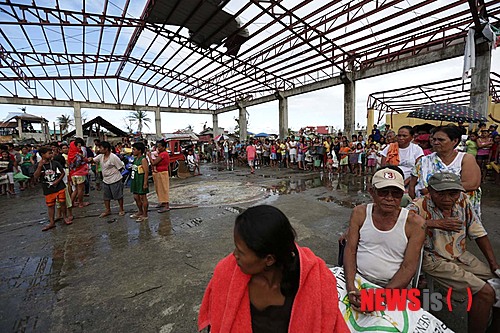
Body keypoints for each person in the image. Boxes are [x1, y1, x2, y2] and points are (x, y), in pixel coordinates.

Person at [198, 205, 349, 333]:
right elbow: (216, 324)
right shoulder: (225, 273)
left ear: (269, 259)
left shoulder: (316, 280)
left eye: (241, 252)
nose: (234, 255)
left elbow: (331, 323)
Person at [407, 172, 499, 333]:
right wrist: (434, 223)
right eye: (441, 194)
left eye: (453, 194)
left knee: (498, 283)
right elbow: (401, 225)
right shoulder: (417, 206)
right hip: (434, 258)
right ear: (430, 190)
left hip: (460, 255)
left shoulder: (463, 201)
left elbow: (478, 232)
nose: (447, 199)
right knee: (485, 292)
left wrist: (493, 264)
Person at [344, 167, 426, 310]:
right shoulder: (360, 213)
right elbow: (350, 250)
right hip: (358, 279)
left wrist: (380, 296)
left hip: (394, 286)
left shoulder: (415, 224)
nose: (389, 198)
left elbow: (408, 267)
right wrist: (351, 287)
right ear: (372, 193)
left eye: (396, 194)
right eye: (383, 192)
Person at [409, 124, 482, 217]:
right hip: (427, 209)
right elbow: (412, 186)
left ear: (455, 141)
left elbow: (471, 184)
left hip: (458, 210)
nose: (436, 142)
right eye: (434, 139)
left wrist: (432, 191)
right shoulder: (424, 161)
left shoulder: (465, 158)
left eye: (441, 140)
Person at [33, 146, 72, 231]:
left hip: (59, 186)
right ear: (42, 154)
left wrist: (57, 181)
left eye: (51, 153)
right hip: (48, 189)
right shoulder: (38, 165)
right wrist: (40, 166)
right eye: (49, 153)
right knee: (50, 205)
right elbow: (35, 176)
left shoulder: (55, 163)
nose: (51, 155)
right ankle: (51, 222)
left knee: (62, 202)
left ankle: (65, 217)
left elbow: (62, 173)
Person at [90, 141, 125, 218]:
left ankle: (121, 209)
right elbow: (93, 160)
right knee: (106, 197)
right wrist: (87, 159)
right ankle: (107, 210)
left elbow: (121, 167)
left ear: (106, 149)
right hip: (106, 179)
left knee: (118, 196)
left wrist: (113, 173)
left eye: (101, 148)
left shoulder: (114, 157)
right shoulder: (101, 156)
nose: (100, 149)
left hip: (115, 179)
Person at [148, 140, 171, 213]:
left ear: (164, 147)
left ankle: (166, 205)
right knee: (159, 188)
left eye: (159, 147)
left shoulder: (163, 154)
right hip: (159, 172)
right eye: (157, 146)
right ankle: (162, 202)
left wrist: (149, 157)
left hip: (162, 172)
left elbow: (154, 163)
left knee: (163, 188)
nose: (158, 148)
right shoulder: (161, 154)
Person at [130, 142, 149, 222]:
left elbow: (146, 172)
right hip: (135, 180)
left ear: (139, 150)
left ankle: (145, 214)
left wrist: (145, 183)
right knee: (136, 197)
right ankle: (140, 211)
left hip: (141, 180)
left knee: (143, 197)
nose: (133, 151)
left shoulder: (143, 159)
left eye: (134, 149)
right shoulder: (135, 159)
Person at [68, 138, 90, 208]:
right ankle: (81, 203)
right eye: (79, 146)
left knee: (76, 189)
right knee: (80, 189)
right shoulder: (78, 154)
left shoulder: (70, 153)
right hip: (79, 173)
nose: (80, 148)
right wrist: (86, 159)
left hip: (72, 173)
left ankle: (71, 203)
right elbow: (80, 163)